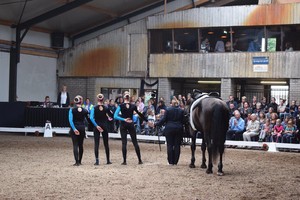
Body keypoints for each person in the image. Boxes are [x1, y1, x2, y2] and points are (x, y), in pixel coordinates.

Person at [114, 91, 148, 165]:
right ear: (129, 98)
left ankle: (124, 161)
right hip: (130, 124)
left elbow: (115, 116)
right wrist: (146, 120)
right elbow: (139, 114)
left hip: (123, 124)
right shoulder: (133, 106)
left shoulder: (121, 106)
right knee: (135, 142)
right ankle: (139, 160)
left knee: (124, 143)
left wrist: (123, 119)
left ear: (123, 97)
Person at [154, 99, 185, 165]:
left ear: (172, 104)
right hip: (179, 129)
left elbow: (163, 120)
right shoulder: (181, 111)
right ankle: (175, 161)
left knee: (170, 145)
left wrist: (156, 124)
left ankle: (170, 161)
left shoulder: (168, 110)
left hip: (169, 128)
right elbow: (184, 121)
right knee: (177, 145)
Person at [90, 93, 112, 165]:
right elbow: (112, 115)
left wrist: (96, 125)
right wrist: (108, 118)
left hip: (97, 126)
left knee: (96, 143)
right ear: (103, 99)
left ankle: (97, 161)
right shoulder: (106, 108)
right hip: (104, 126)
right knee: (106, 143)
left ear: (97, 99)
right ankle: (108, 160)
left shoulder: (94, 107)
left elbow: (91, 118)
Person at [68, 95, 88, 166]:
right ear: (81, 101)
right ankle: (80, 161)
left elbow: (70, 121)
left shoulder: (72, 110)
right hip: (82, 127)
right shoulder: (85, 110)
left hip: (75, 127)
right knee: (81, 145)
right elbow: (87, 120)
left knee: (75, 145)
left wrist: (74, 129)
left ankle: (76, 162)